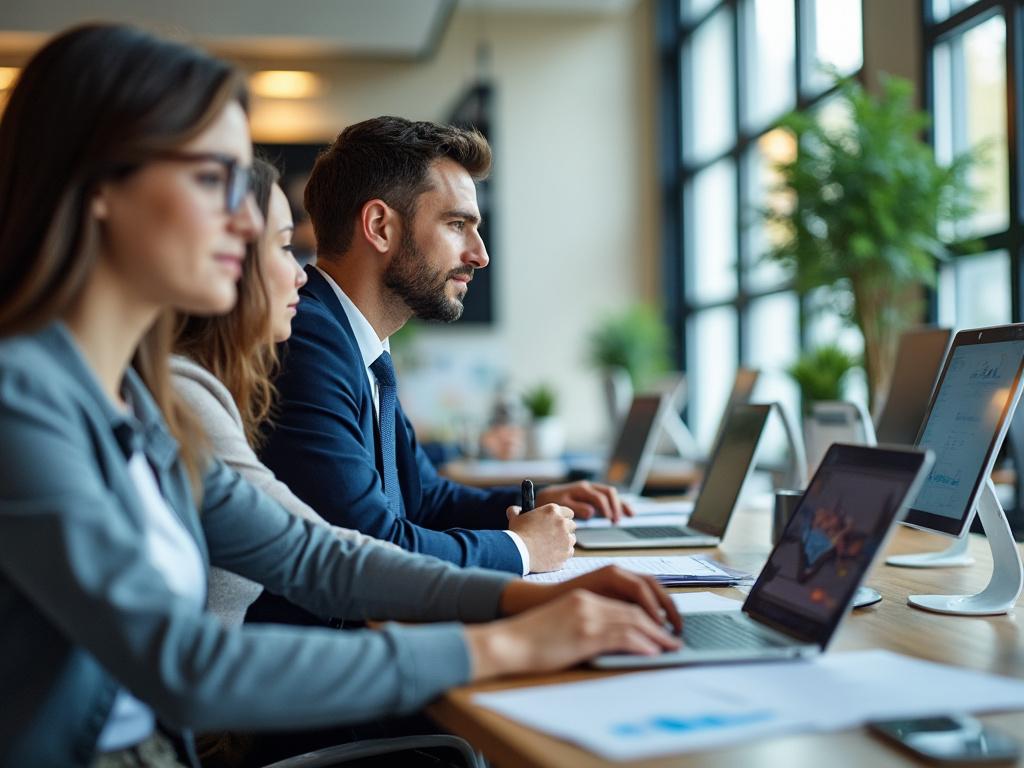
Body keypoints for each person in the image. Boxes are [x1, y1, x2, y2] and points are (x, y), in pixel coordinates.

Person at [0, 23, 681, 768]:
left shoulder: (137, 398)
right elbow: (185, 665)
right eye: (212, 178)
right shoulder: (20, 399)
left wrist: (525, 596)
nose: (247, 221)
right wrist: (507, 640)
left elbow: (318, 554)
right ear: (98, 186)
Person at [260, 116, 634, 585]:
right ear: (379, 226)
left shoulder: (356, 343)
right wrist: (522, 548)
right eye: (457, 224)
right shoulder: (308, 340)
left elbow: (424, 498)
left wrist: (537, 504)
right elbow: (373, 545)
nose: (480, 255)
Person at [172, 157, 399, 629]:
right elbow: (321, 554)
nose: (302, 275)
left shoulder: (214, 391)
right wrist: (512, 585)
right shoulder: (184, 399)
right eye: (284, 247)